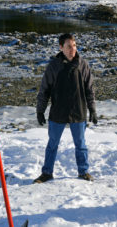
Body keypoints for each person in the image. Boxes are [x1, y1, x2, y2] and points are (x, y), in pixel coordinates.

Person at [33, 33, 97, 183]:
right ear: (61, 47)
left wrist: (92, 109)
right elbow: (44, 90)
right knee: (52, 144)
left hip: (78, 111)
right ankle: (47, 173)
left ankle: (84, 171)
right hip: (58, 112)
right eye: (68, 46)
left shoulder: (82, 65)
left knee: (81, 145)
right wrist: (40, 110)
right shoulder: (54, 66)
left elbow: (89, 89)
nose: (72, 49)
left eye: (74, 46)